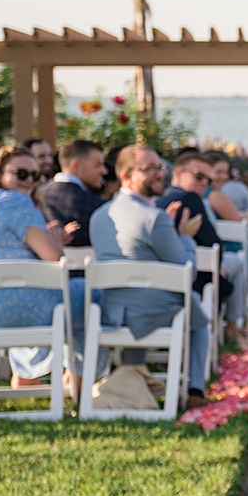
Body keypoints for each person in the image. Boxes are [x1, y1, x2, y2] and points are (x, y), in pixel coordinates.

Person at [90, 145, 212, 410]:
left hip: (112, 309)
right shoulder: (154, 217)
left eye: (160, 167)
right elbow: (184, 270)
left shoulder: (99, 216)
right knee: (197, 314)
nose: (159, 174)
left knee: (148, 299)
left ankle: (135, 379)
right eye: (149, 169)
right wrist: (186, 238)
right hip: (150, 310)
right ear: (126, 176)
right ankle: (195, 390)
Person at [0, 144, 88, 391]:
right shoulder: (13, 201)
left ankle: (27, 374)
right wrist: (55, 244)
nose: (30, 181)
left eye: (35, 175)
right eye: (21, 174)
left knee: (35, 292)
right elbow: (54, 261)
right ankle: (76, 380)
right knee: (94, 295)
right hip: (20, 307)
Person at [160, 151, 242, 336]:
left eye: (207, 179)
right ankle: (232, 326)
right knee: (237, 263)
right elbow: (213, 243)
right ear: (179, 173)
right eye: (198, 176)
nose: (204, 182)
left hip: (165, 280)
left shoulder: (160, 199)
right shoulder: (189, 199)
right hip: (194, 279)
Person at [42, 139, 109, 247]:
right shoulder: (96, 206)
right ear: (76, 166)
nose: (104, 171)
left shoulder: (37, 197)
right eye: (97, 165)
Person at [206, 150, 248, 219]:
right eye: (218, 172)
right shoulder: (214, 195)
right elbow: (237, 221)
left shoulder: (202, 192)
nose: (224, 177)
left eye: (226, 173)